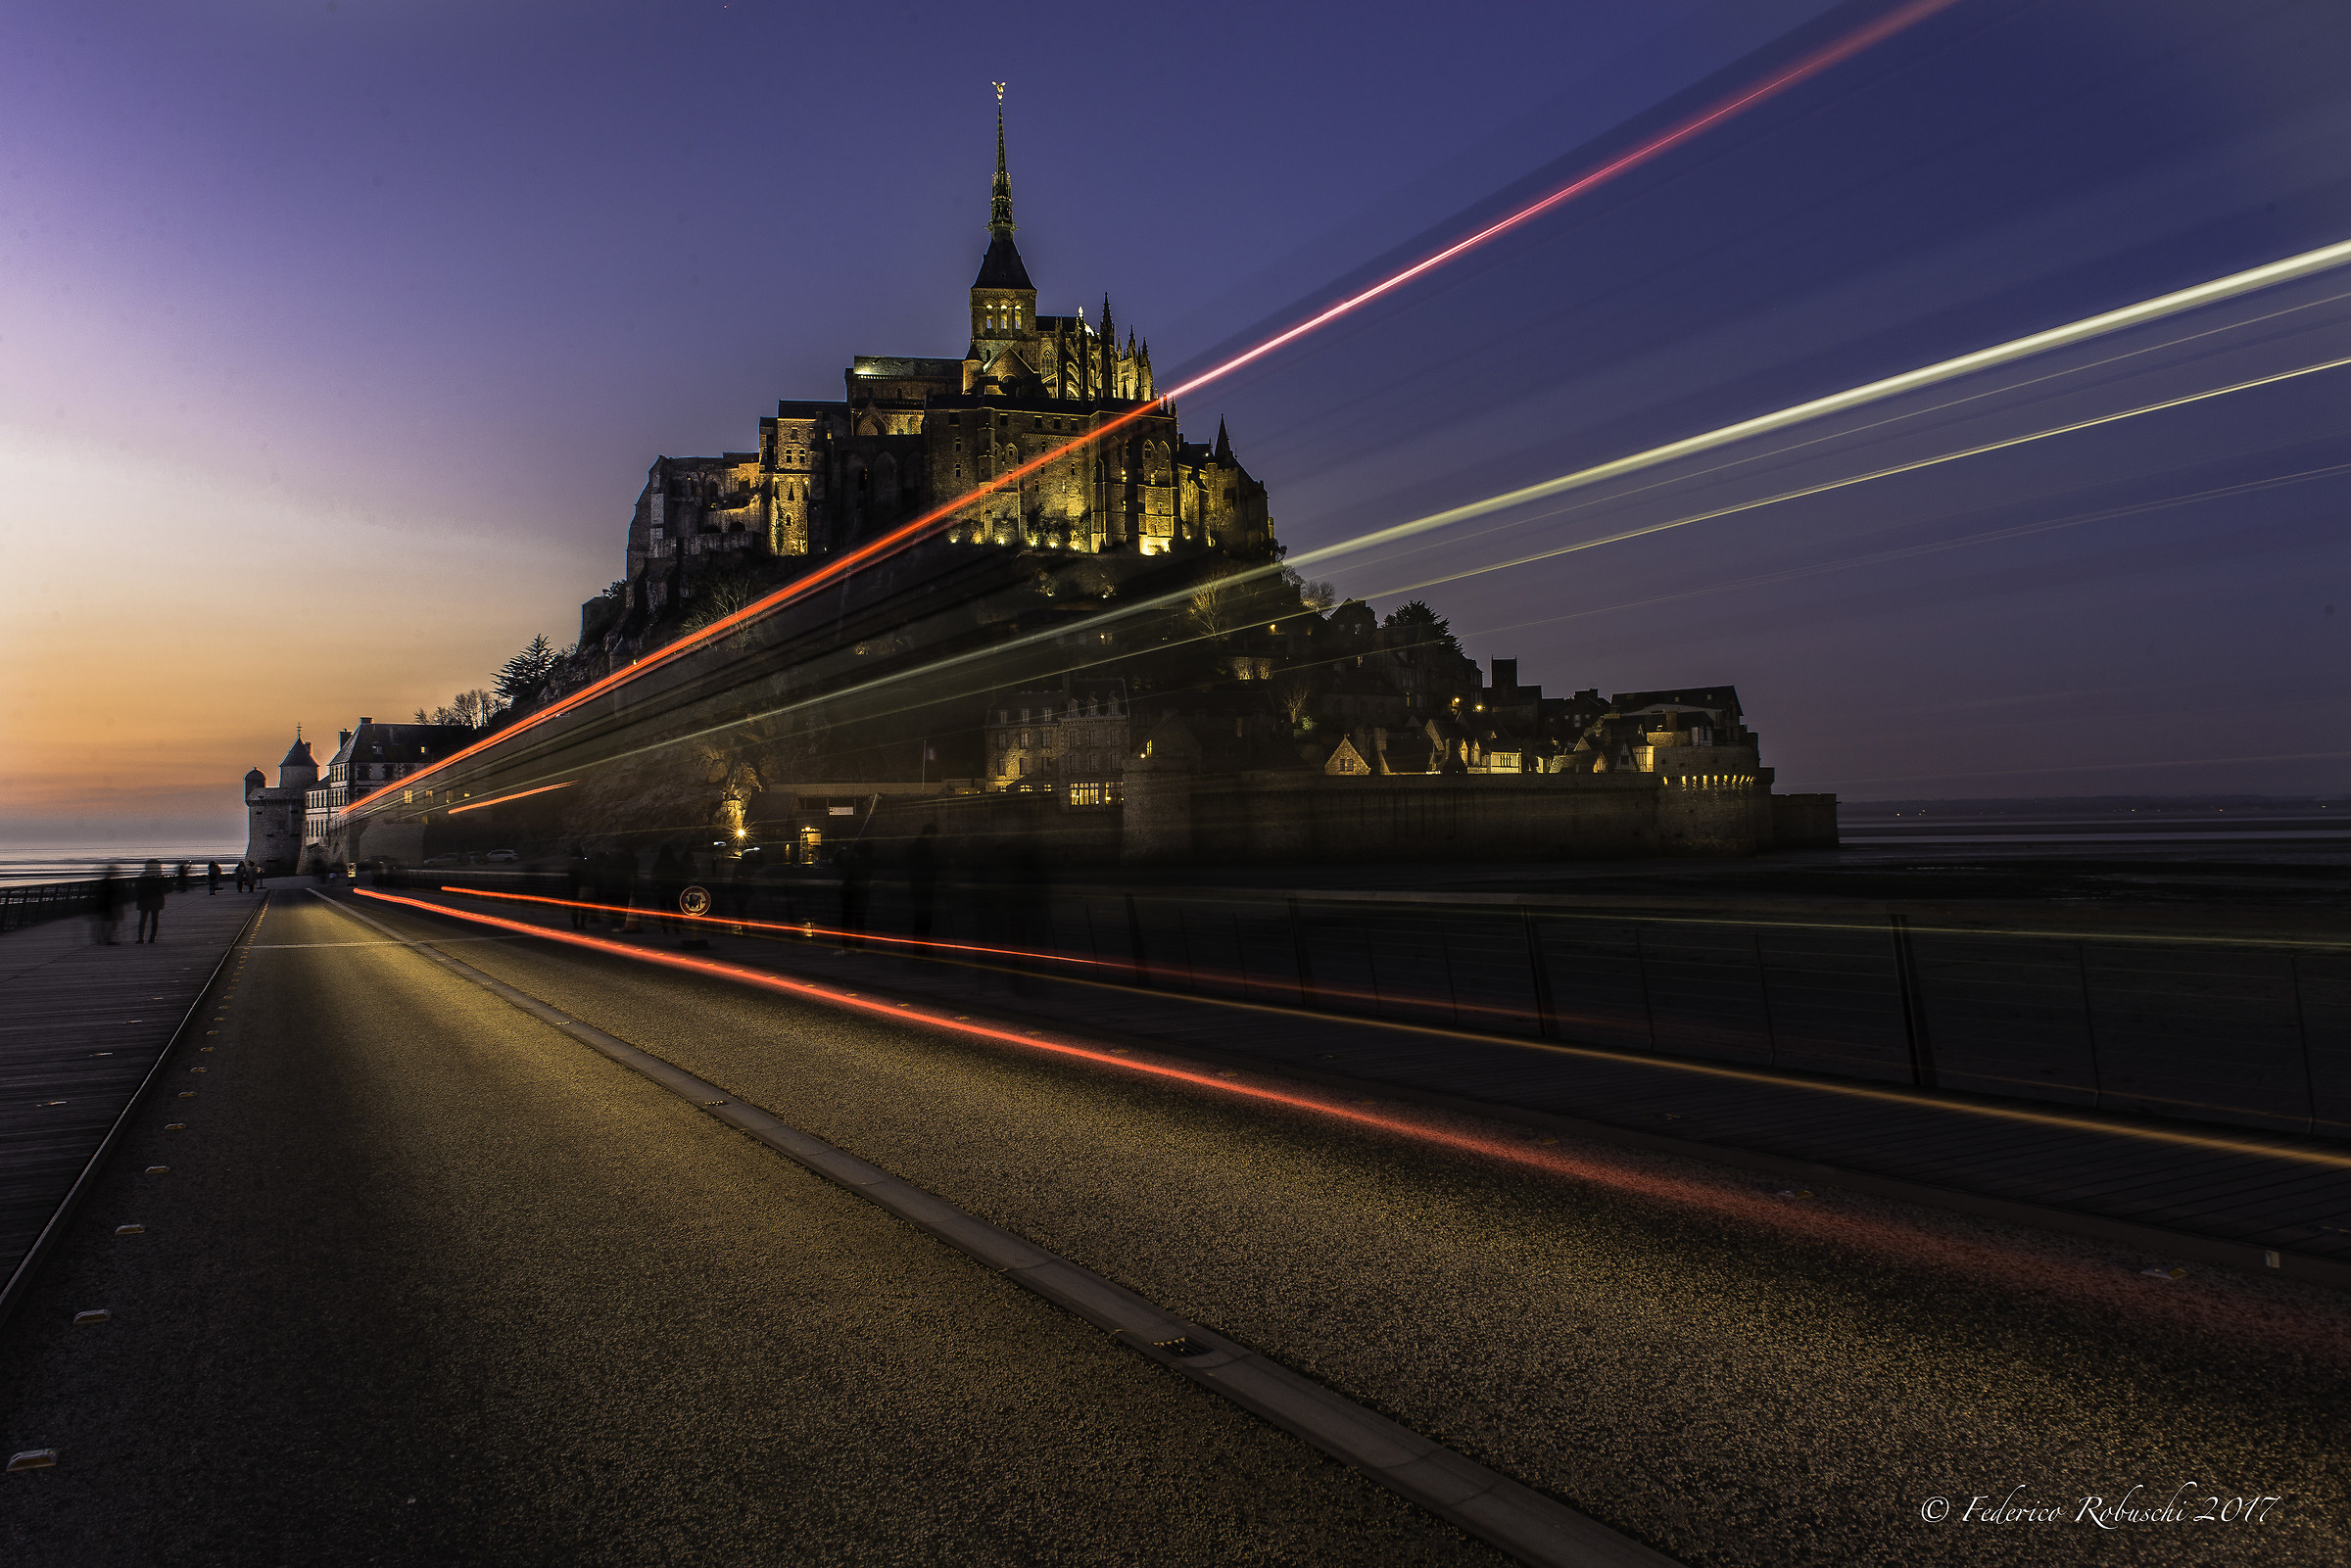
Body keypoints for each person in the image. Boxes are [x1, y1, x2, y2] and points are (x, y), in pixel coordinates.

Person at [838, 839, 873, 950]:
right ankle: (860, 947)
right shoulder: (868, 863)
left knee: (847, 923)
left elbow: (836, 861)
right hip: (863, 896)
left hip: (850, 896)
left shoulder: (853, 863)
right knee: (860, 922)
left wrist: (842, 850)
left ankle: (846, 947)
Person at [907, 824, 939, 942]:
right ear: (930, 834)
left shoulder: (912, 847)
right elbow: (929, 868)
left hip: (916, 887)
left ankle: (919, 947)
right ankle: (921, 946)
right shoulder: (926, 849)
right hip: (925, 888)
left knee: (919, 918)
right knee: (925, 919)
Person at [134, 859, 168, 944]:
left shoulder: (143, 876)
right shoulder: (159, 876)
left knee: (143, 919)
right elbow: (164, 889)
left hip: (145, 899)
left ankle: (141, 938)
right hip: (155, 900)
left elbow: (138, 888)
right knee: (154, 919)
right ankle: (152, 938)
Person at [91, 862, 122, 945]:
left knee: (106, 922)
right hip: (106, 905)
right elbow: (109, 894)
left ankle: (104, 938)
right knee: (108, 922)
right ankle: (106, 939)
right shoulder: (107, 882)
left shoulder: (106, 882)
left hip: (105, 905)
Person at [564, 846, 590, 929]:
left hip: (572, 887)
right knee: (584, 906)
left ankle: (575, 924)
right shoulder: (583, 863)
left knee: (575, 907)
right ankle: (582, 924)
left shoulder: (570, 863)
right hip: (582, 886)